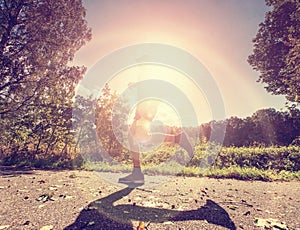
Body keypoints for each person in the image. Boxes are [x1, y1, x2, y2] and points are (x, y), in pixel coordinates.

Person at [118, 99, 194, 186]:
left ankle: (137, 173)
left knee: (134, 136)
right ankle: (137, 173)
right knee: (136, 136)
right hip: (147, 98)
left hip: (146, 98)